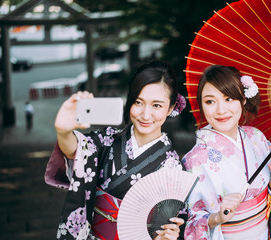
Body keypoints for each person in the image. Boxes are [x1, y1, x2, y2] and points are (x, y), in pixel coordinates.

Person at [44, 60, 187, 240]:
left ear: (171, 107)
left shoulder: (173, 167)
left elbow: (168, 226)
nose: (145, 114)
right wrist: (63, 131)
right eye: (138, 102)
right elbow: (76, 150)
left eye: (156, 105)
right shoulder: (108, 139)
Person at [181, 65, 271, 239]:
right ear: (201, 105)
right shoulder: (195, 159)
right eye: (210, 101)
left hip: (264, 232)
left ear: (243, 100)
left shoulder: (256, 137)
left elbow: (270, 194)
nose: (220, 110)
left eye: (229, 99)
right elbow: (192, 219)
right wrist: (218, 217)